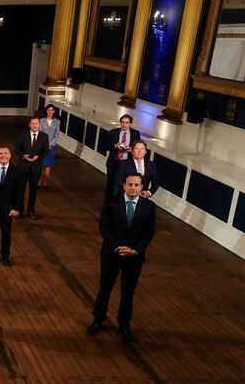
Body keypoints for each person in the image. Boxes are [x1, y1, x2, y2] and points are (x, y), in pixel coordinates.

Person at [87, 173, 156, 341]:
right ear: (124, 185)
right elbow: (104, 226)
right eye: (130, 184)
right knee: (105, 287)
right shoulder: (111, 202)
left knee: (128, 291)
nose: (133, 188)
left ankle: (124, 324)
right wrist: (117, 247)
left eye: (136, 185)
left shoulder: (149, 207)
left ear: (141, 187)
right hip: (112, 253)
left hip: (134, 256)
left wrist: (135, 250)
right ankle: (98, 319)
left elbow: (149, 233)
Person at [14, 115, 49, 220]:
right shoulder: (22, 135)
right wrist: (23, 156)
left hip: (36, 167)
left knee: (33, 191)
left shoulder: (44, 136)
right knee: (20, 190)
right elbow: (16, 149)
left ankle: (31, 211)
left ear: (39, 125)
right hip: (23, 166)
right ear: (29, 125)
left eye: (36, 123)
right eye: (32, 123)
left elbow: (46, 151)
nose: (34, 125)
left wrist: (38, 157)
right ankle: (19, 210)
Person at [105, 114, 141, 198]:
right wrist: (115, 146)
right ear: (120, 123)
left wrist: (131, 149)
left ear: (130, 123)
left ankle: (120, 205)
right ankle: (108, 204)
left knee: (123, 186)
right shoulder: (113, 132)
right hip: (113, 162)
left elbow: (138, 147)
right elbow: (106, 145)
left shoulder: (135, 134)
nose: (124, 125)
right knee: (110, 185)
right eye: (122, 122)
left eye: (127, 122)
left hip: (126, 164)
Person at [38, 104, 60, 189]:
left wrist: (51, 144)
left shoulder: (57, 122)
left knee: (48, 165)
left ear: (54, 111)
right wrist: (46, 144)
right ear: (46, 111)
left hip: (52, 146)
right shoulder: (41, 120)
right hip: (43, 146)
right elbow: (40, 133)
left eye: (52, 110)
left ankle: (45, 183)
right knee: (41, 165)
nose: (50, 111)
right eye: (48, 110)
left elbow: (57, 134)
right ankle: (39, 182)